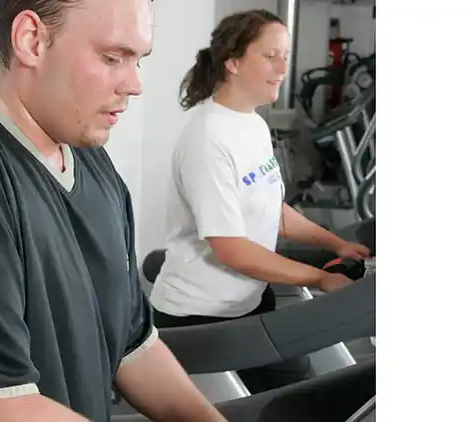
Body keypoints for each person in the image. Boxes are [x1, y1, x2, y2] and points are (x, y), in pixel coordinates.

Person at [0, 1, 228, 421]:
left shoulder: (92, 161)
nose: (135, 85)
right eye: (112, 57)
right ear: (32, 40)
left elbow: (130, 345)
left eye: (138, 60)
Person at [148, 9, 372, 394]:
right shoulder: (208, 139)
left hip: (249, 300)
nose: (283, 66)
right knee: (296, 400)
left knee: (300, 392)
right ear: (233, 62)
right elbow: (231, 249)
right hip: (200, 317)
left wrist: (334, 243)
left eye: (285, 55)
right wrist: (319, 277)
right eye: (271, 56)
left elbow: (274, 208)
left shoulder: (251, 122)